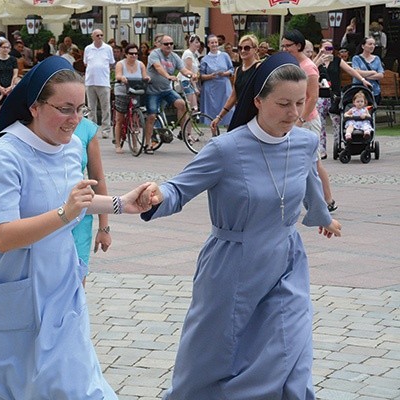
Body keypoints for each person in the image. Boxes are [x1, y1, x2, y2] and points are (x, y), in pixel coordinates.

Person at [139, 52, 342, 399]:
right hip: (232, 264)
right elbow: (179, 188)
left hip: (286, 261)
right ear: (258, 101)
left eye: (300, 103)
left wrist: (323, 217)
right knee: (213, 358)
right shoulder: (225, 149)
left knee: (289, 347)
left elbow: (308, 183)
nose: (294, 114)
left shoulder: (306, 142)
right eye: (283, 104)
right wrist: (157, 196)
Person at [0, 56, 152, 399]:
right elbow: (3, 236)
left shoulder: (72, 146)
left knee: (79, 387)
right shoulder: (7, 154)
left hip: (60, 286)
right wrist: (64, 214)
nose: (75, 120)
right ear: (35, 106)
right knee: (11, 390)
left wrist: (123, 203)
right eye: (65, 109)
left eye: (80, 109)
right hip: (8, 283)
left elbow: (77, 201)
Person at [282, 29, 337, 212]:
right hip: (294, 118)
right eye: (282, 46)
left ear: (298, 46)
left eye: (287, 46)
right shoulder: (293, 65)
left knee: (313, 161)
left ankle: (327, 200)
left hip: (307, 120)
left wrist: (301, 119)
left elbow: (312, 98)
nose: (284, 49)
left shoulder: (308, 67)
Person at [312, 39, 372, 158]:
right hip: (320, 96)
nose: (328, 51)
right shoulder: (318, 62)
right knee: (320, 124)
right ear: (320, 48)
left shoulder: (337, 60)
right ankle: (322, 150)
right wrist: (319, 56)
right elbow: (310, 69)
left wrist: (363, 80)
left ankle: (339, 146)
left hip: (335, 96)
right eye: (325, 48)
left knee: (337, 123)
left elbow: (350, 70)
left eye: (330, 48)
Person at [72, 117, 111, 286]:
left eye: (81, 107)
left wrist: (104, 227)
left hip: (79, 218)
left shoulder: (87, 128)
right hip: (46, 213)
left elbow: (97, 179)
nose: (75, 114)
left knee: (77, 282)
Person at [144, 35, 194, 154]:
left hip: (166, 90)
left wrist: (191, 75)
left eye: (171, 43)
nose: (169, 46)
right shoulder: (155, 54)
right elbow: (158, 67)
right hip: (153, 90)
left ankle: (183, 132)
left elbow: (183, 69)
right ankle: (147, 144)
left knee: (181, 104)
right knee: (152, 115)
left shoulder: (174, 57)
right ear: (160, 45)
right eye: (166, 44)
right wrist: (167, 76)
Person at [210, 34, 260, 133]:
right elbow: (234, 96)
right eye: (240, 48)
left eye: (247, 48)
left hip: (255, 116)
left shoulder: (259, 67)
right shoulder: (238, 70)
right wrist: (219, 117)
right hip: (241, 112)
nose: (242, 51)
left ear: (255, 49)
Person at [114, 43, 149, 153]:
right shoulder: (121, 64)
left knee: (134, 119)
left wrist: (147, 78)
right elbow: (118, 75)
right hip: (122, 92)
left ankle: (135, 144)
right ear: (126, 54)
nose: (134, 56)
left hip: (135, 91)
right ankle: (118, 145)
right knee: (119, 119)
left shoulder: (140, 64)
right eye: (131, 54)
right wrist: (122, 78)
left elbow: (144, 76)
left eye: (135, 53)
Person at [83, 29, 115, 139]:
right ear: (93, 37)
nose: (100, 37)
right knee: (91, 108)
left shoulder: (108, 48)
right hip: (90, 81)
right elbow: (86, 63)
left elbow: (111, 63)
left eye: (101, 35)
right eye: (97, 35)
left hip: (103, 82)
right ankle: (92, 129)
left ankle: (106, 129)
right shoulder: (88, 49)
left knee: (105, 107)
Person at [200, 34, 234, 127]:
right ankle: (213, 129)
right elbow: (201, 76)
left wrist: (225, 73)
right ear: (208, 44)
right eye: (212, 43)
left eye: (216, 42)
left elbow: (232, 69)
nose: (214, 44)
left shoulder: (225, 56)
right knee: (212, 111)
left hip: (224, 86)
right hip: (211, 88)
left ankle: (228, 128)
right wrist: (210, 76)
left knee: (227, 107)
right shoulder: (204, 59)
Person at [351, 37, 384, 105]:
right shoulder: (356, 58)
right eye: (370, 44)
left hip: (374, 90)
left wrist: (364, 76)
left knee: (372, 110)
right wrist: (373, 72)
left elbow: (381, 75)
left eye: (374, 44)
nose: (372, 46)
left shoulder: (377, 58)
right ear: (363, 46)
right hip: (359, 89)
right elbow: (356, 72)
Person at [0, 39, 19, 111]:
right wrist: (0, 87)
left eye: (7, 47)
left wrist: (11, 86)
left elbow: (15, 74)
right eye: (3, 47)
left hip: (10, 86)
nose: (5, 49)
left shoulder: (13, 59)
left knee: (11, 109)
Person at [177, 34, 203, 113]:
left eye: (198, 42)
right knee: (192, 106)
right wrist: (195, 87)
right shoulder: (188, 54)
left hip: (192, 81)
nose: (198, 44)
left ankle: (189, 123)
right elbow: (188, 72)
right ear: (190, 43)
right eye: (196, 42)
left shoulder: (194, 54)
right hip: (186, 81)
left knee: (194, 107)